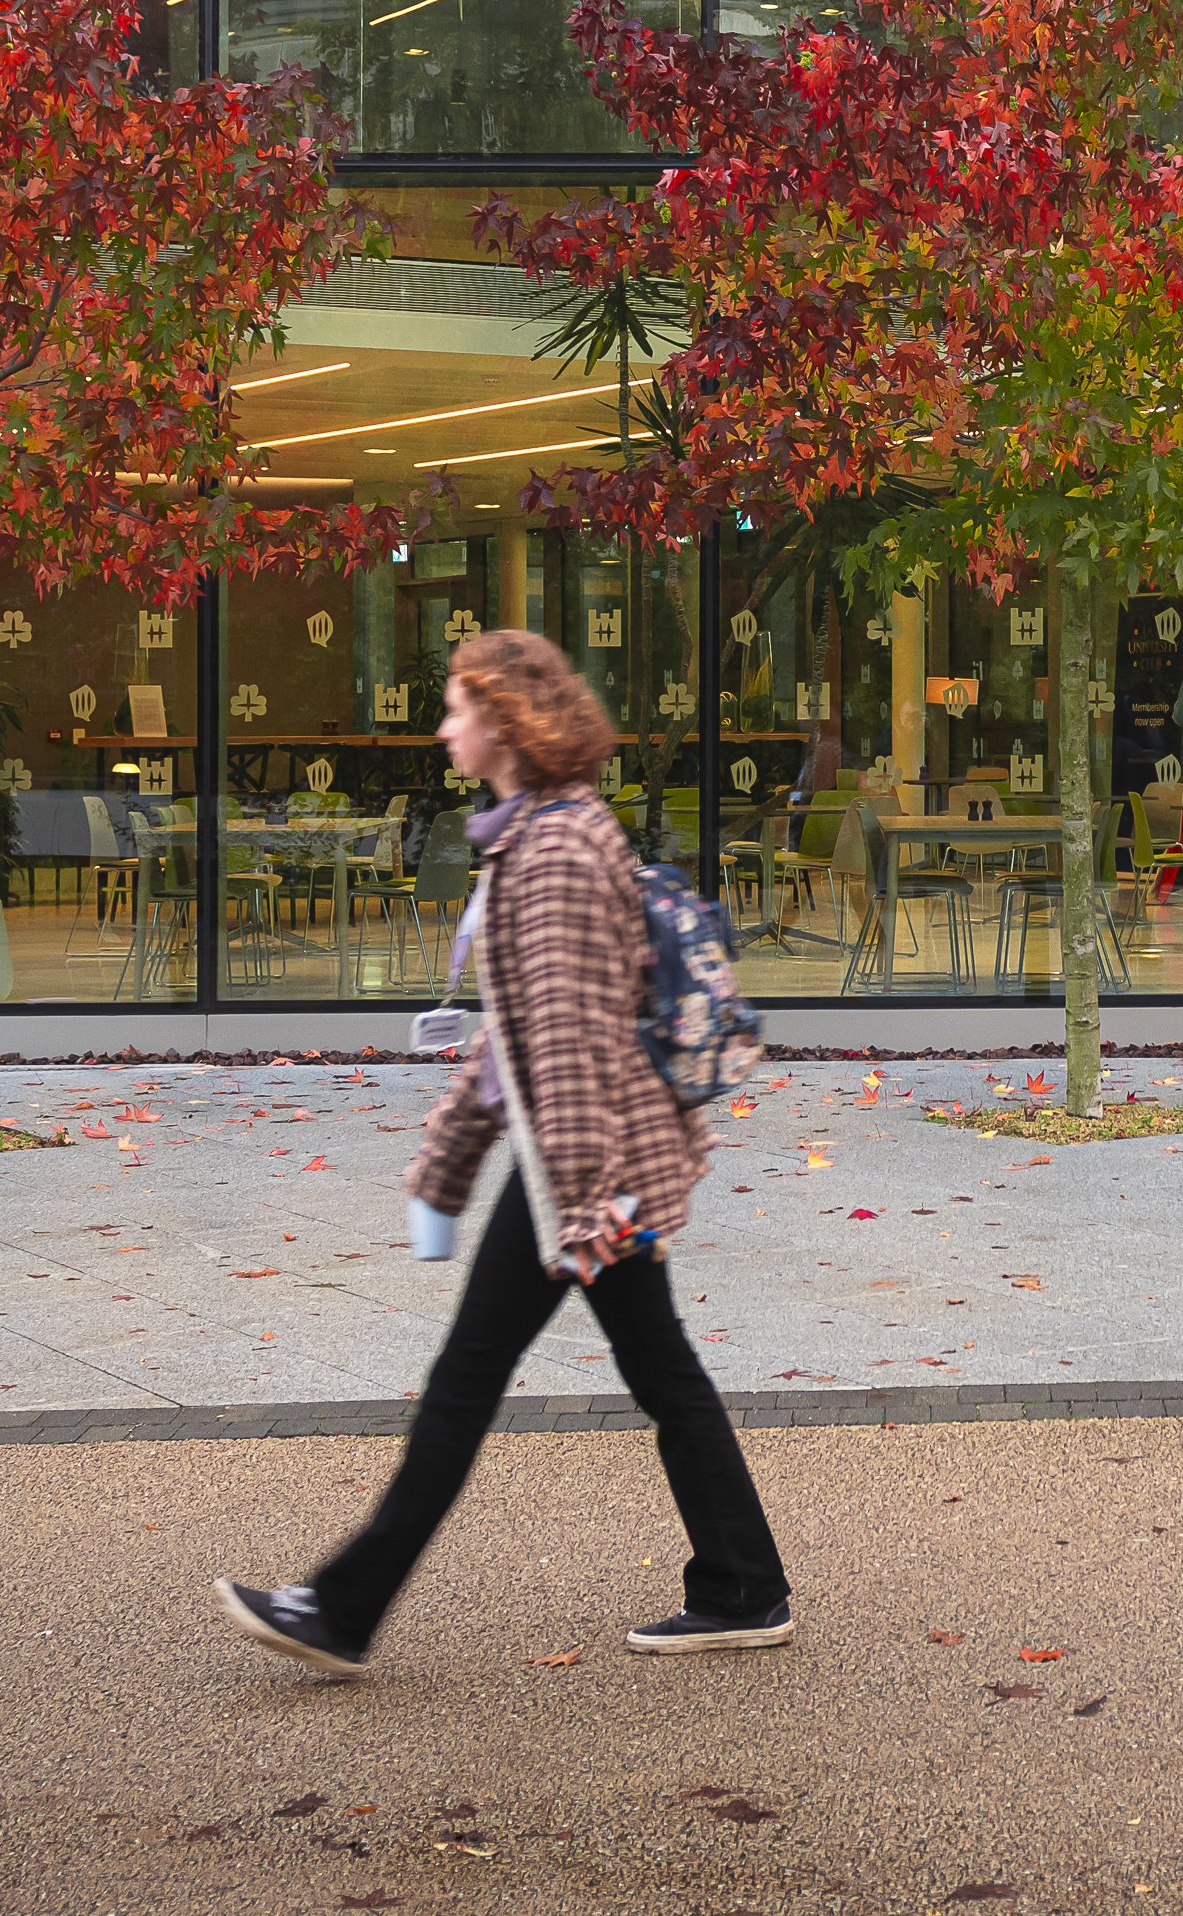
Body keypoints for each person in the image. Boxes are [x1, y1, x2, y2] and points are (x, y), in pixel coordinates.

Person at [219, 629, 788, 1672]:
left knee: (470, 1377)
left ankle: (342, 1608)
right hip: (592, 1164)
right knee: (655, 1369)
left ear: (506, 720)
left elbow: (566, 1049)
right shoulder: (532, 834)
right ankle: (742, 1582)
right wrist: (444, 1172)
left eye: (455, 709)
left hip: (588, 1169)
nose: (442, 727)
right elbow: (508, 1035)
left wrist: (575, 1201)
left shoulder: (557, 852)